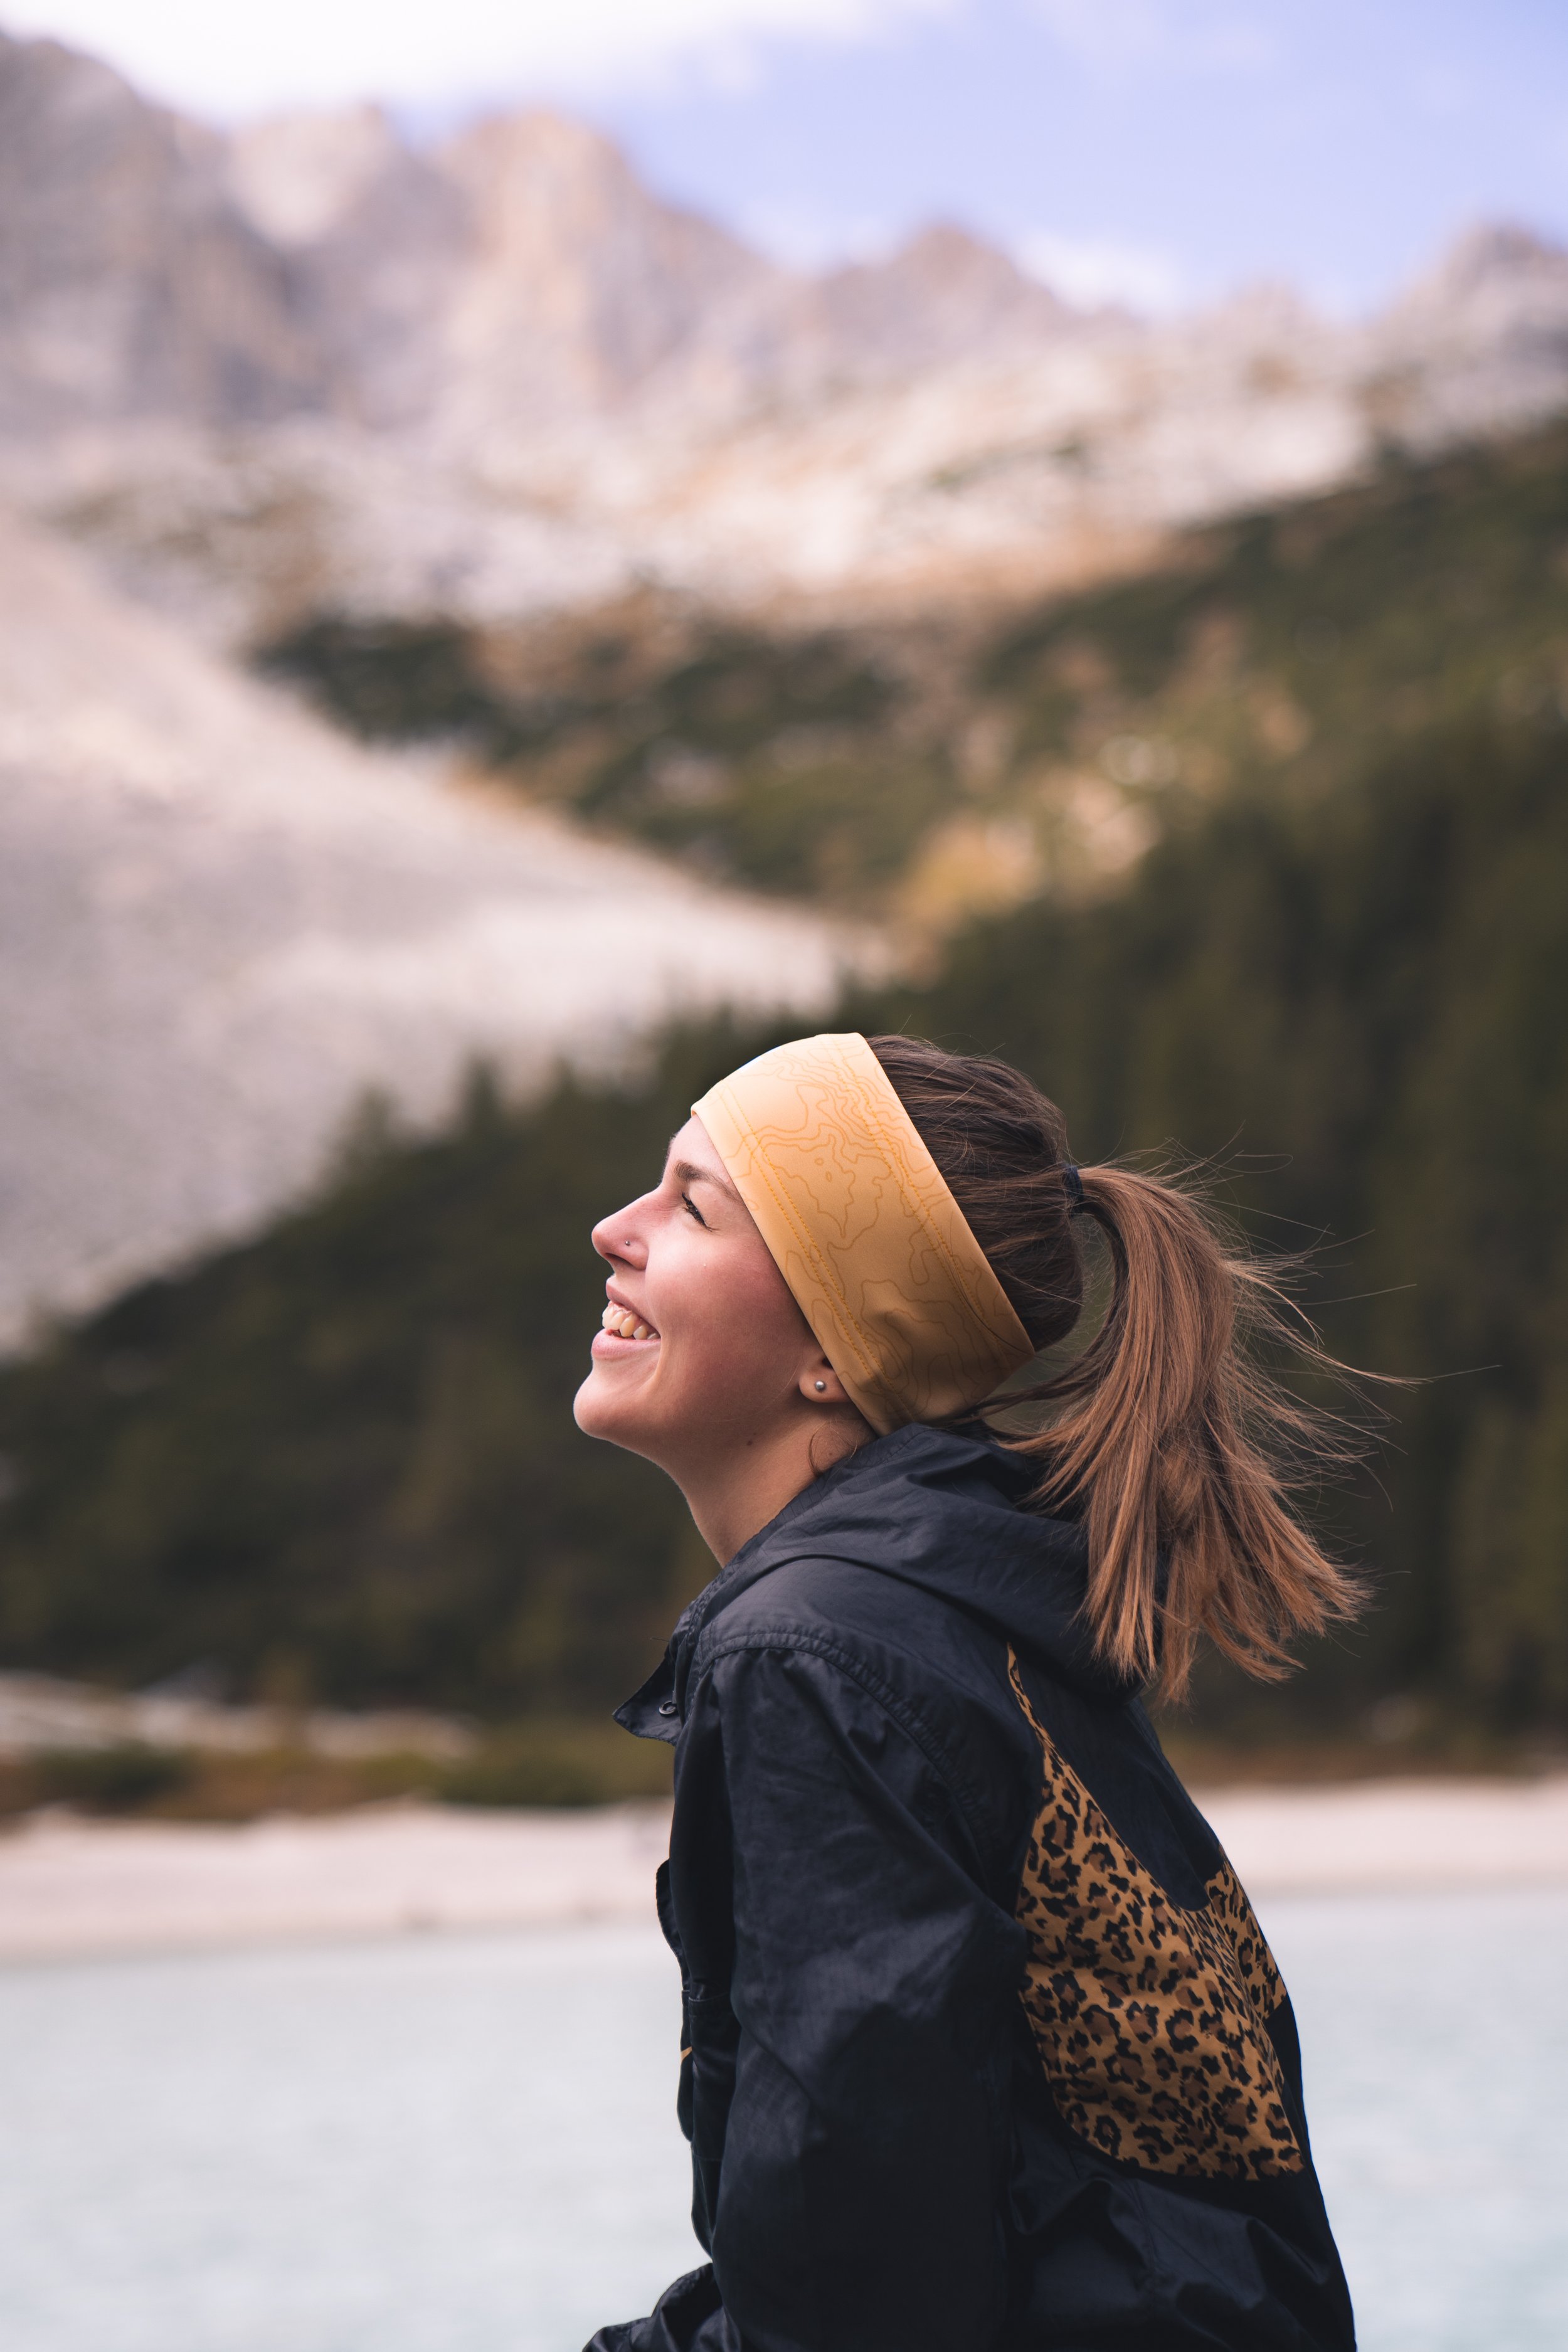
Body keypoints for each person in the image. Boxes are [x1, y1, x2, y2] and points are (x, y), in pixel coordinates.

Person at [575, 1030, 1360, 2352]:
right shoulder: (974, 1611)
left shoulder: (813, 1654)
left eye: (693, 1203)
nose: (616, 1229)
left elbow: (852, 2272)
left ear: (834, 1347)